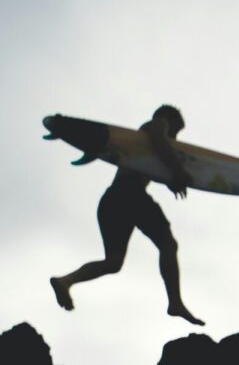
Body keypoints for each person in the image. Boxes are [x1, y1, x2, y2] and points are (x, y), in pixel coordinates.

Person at [51, 105, 204, 326]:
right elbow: (161, 143)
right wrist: (177, 171)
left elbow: (150, 163)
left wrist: (171, 178)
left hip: (112, 199)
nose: (175, 137)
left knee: (113, 262)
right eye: (176, 131)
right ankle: (175, 302)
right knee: (168, 245)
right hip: (131, 194)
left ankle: (66, 281)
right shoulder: (158, 124)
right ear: (169, 120)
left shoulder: (141, 144)